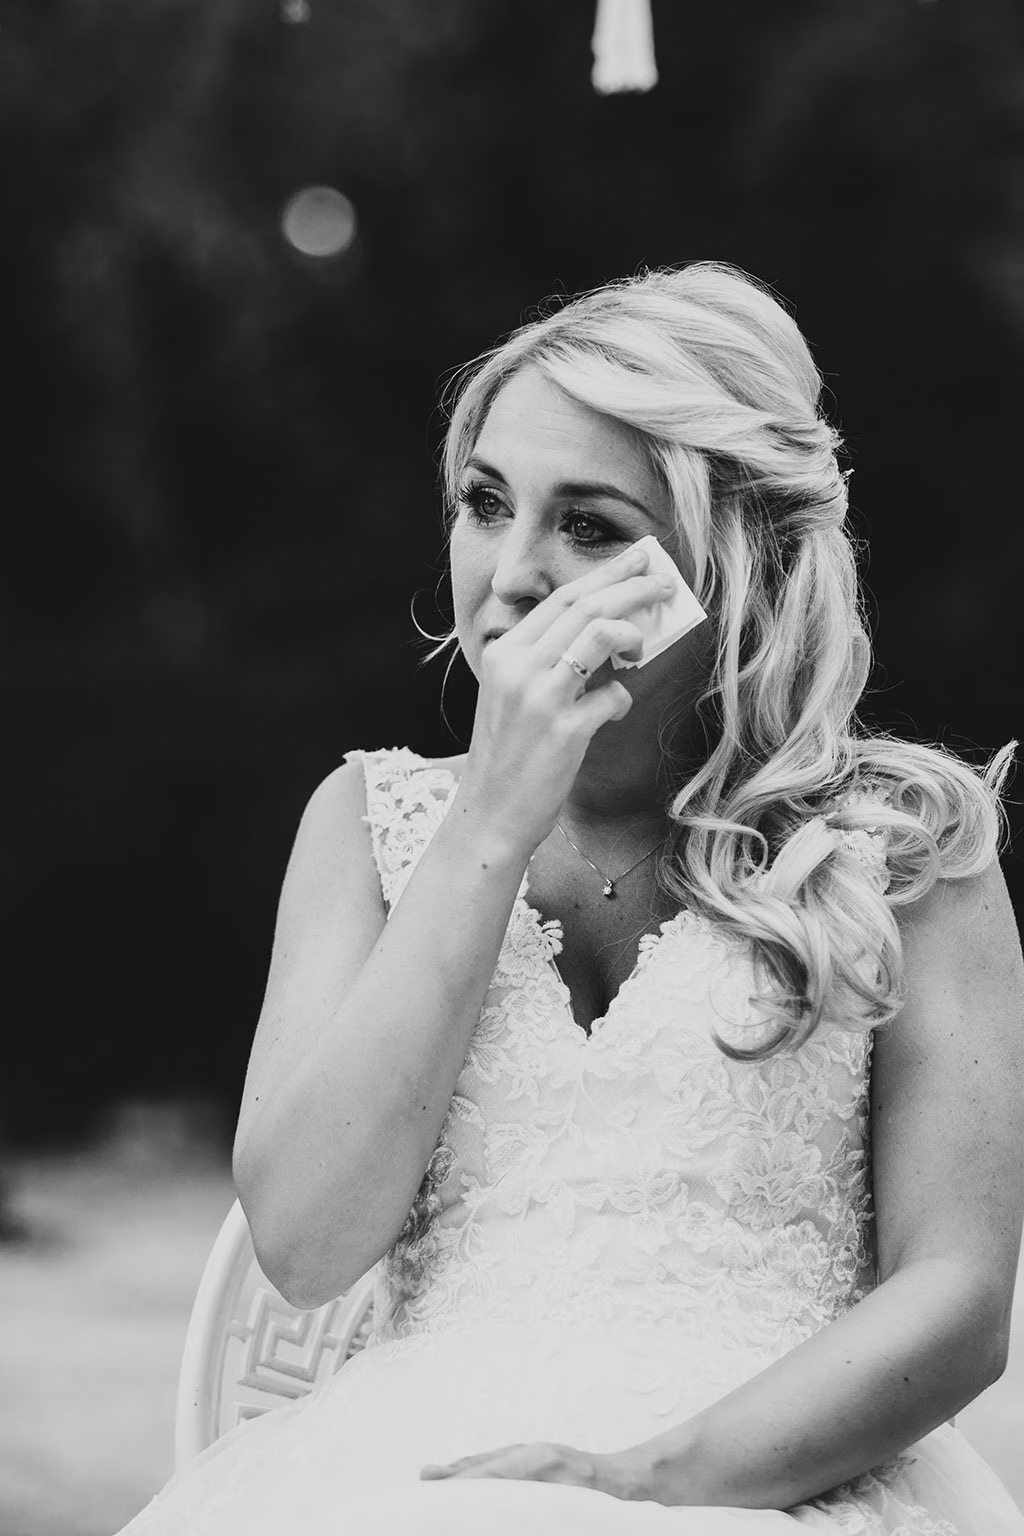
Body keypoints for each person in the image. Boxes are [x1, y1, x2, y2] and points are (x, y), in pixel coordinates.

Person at [120, 262, 1024, 1535]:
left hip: (769, 1476)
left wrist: (650, 1483)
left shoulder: (903, 850)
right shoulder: (368, 825)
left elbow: (959, 1298)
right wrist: (488, 825)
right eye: (486, 503)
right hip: (423, 1474)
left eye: (589, 526)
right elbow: (305, 1245)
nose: (513, 572)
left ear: (734, 560)